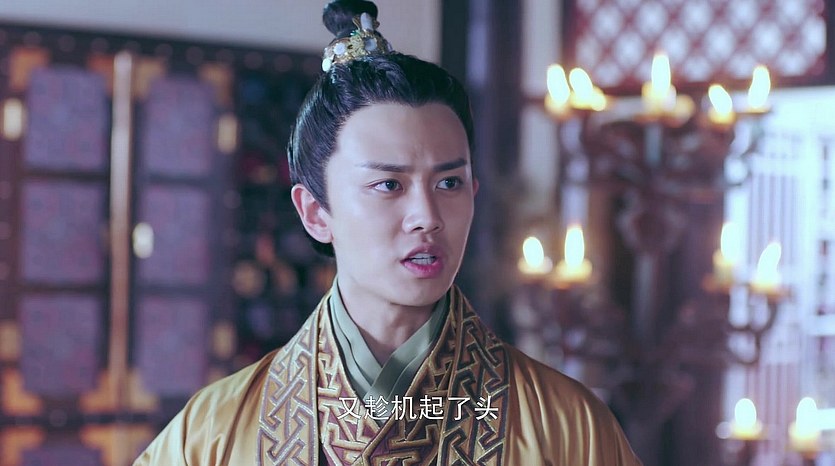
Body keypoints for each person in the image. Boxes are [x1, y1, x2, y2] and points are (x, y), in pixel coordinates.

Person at [134, 1, 642, 464]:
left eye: (449, 182)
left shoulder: (567, 427)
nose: (427, 216)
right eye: (388, 185)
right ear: (315, 213)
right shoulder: (211, 435)